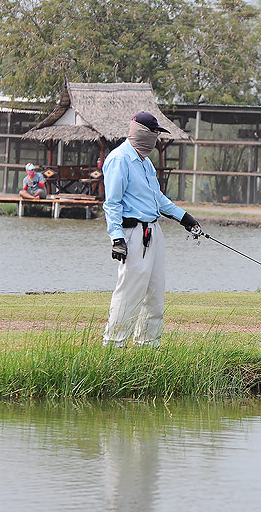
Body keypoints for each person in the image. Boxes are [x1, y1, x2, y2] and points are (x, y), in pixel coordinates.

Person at [101, 111, 200, 347]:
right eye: (154, 133)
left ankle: (148, 344)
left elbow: (158, 198)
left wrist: (184, 218)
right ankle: (114, 344)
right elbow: (112, 203)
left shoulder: (145, 162)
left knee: (155, 294)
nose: (156, 139)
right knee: (129, 292)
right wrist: (116, 238)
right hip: (133, 233)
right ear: (142, 133)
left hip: (153, 231)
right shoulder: (120, 159)